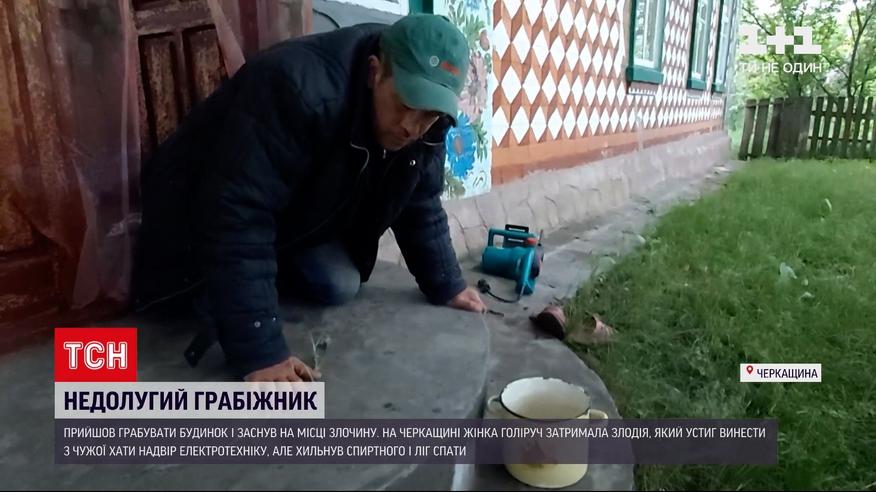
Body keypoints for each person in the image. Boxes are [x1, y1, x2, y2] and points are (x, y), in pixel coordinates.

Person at [131, 14, 487, 382]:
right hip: (193, 209)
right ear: (374, 72)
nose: (411, 127)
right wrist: (260, 350)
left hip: (288, 208)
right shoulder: (296, 88)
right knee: (198, 291)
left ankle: (246, 281)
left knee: (338, 283)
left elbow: (420, 199)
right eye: (404, 104)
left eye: (428, 114)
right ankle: (223, 287)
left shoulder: (431, 122)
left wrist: (447, 282)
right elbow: (238, 212)